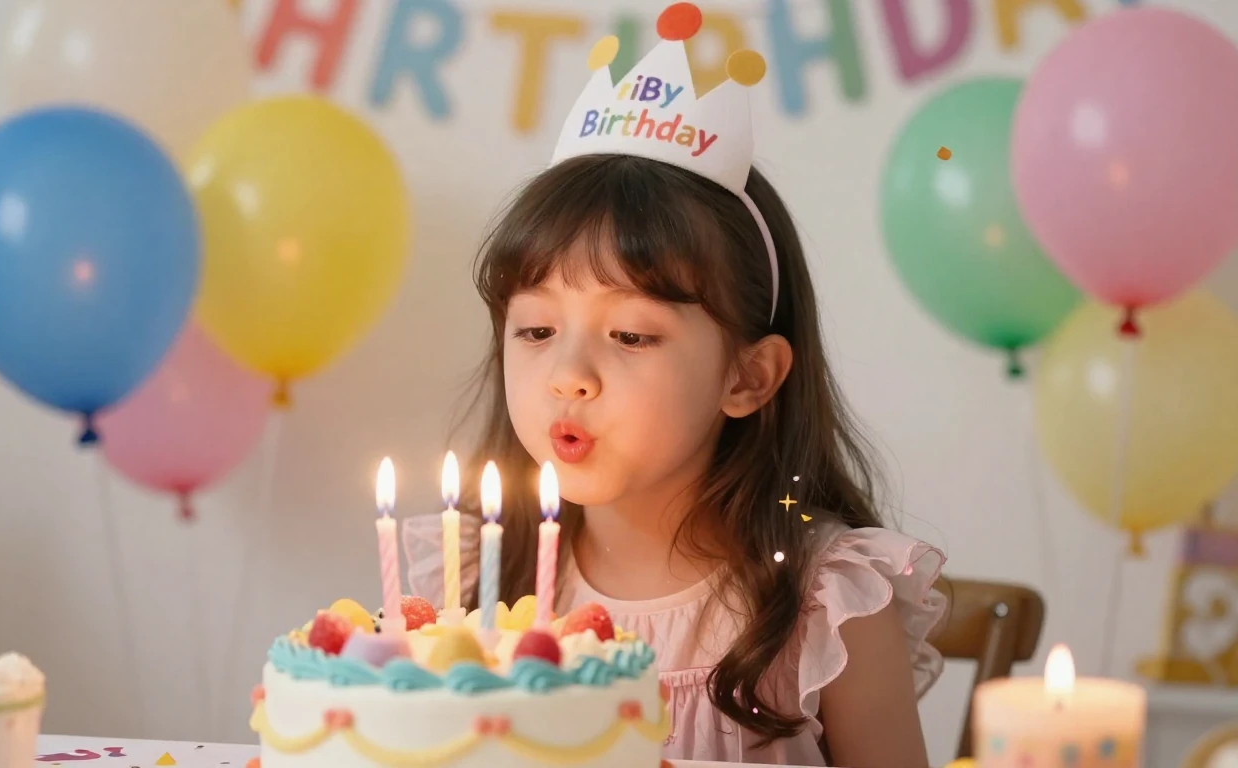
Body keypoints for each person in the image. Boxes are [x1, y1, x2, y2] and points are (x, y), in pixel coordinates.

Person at [404, 5, 946, 765]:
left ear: (749, 376)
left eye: (630, 335)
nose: (570, 378)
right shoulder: (468, 581)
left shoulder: (826, 607)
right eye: (535, 331)